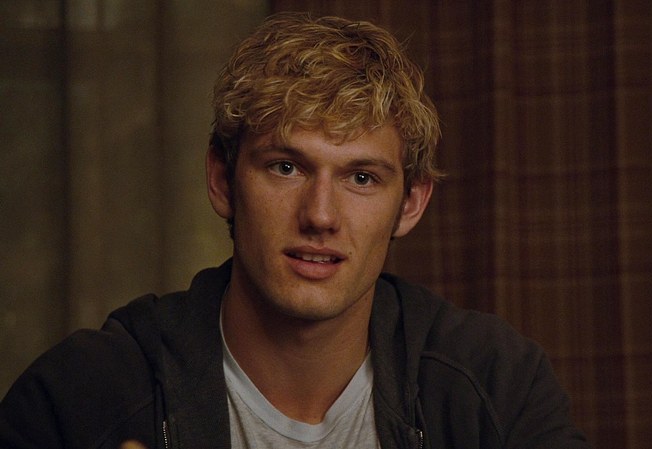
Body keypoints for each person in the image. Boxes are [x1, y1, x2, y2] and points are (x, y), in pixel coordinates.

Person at [0, 12, 590, 449]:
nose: (321, 215)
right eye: (286, 167)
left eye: (361, 177)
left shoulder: (496, 385)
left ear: (410, 204)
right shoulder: (82, 396)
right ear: (222, 180)